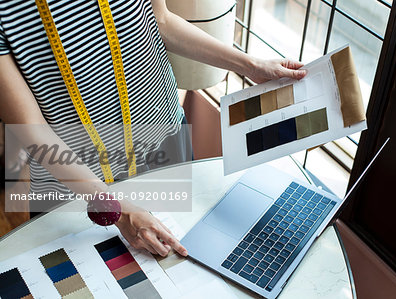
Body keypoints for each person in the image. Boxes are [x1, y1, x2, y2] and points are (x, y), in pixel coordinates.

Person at [0, 0, 307, 257]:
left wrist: (249, 65)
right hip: (71, 176)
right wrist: (116, 210)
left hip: (163, 141)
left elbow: (160, 20)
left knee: (180, 259)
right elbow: (31, 129)